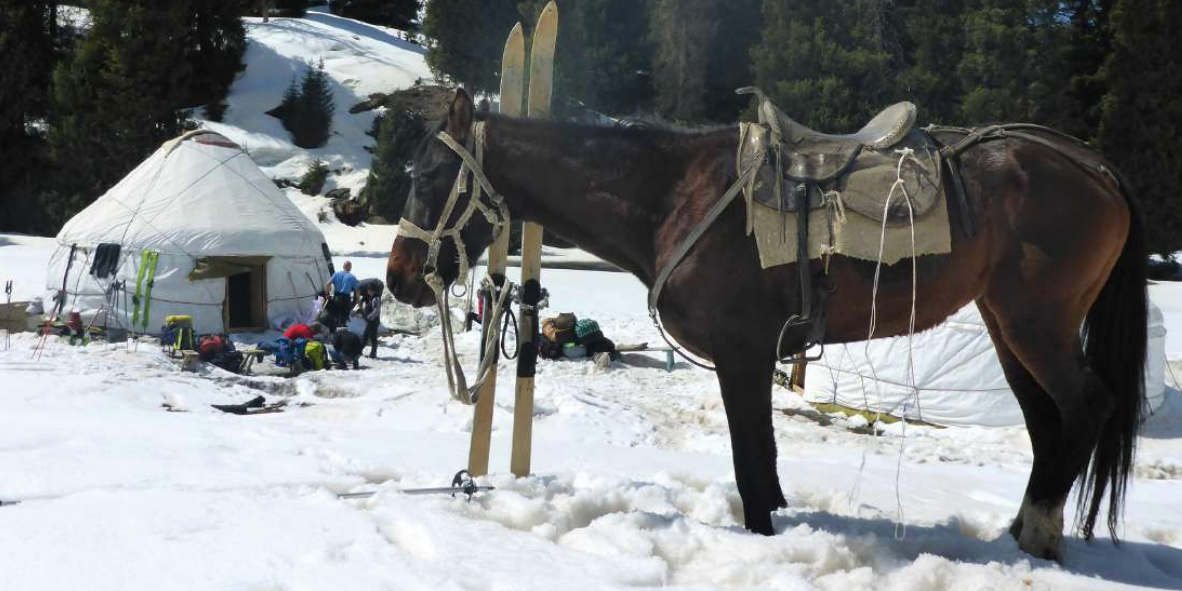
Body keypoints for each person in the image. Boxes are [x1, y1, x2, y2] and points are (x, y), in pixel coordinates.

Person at [325, 261, 358, 328]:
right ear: (350, 268)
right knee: (344, 314)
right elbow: (357, 289)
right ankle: (342, 328)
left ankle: (335, 327)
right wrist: (358, 299)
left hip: (336, 296)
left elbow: (328, 283)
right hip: (345, 298)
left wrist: (327, 293)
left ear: (343, 267)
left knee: (336, 313)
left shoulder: (336, 274)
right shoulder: (352, 277)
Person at [359, 281, 382, 359]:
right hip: (370, 321)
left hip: (373, 321)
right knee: (366, 336)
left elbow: (376, 311)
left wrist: (368, 317)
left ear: (372, 290)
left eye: (369, 290)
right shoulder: (371, 298)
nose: (368, 291)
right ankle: (360, 350)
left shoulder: (376, 299)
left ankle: (373, 353)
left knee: (372, 337)